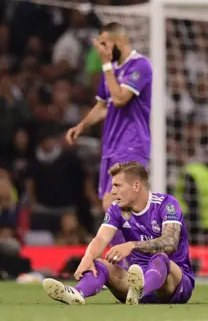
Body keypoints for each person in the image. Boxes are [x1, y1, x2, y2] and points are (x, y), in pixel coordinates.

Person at [42, 162, 194, 305]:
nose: (113, 191)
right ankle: (76, 293)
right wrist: (88, 257)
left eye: (117, 186)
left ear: (136, 186)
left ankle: (141, 289)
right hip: (134, 281)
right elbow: (101, 237)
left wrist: (132, 245)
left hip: (175, 284)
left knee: (161, 258)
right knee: (99, 263)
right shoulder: (117, 208)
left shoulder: (166, 204)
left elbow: (170, 242)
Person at [66, 22, 152, 257]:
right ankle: (131, 263)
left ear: (119, 41)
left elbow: (121, 98)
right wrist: (81, 126)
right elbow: (104, 105)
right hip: (110, 148)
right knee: (111, 207)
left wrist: (105, 65)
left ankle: (133, 258)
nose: (101, 49)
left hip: (132, 143)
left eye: (104, 43)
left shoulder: (140, 65)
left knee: (114, 204)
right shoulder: (111, 69)